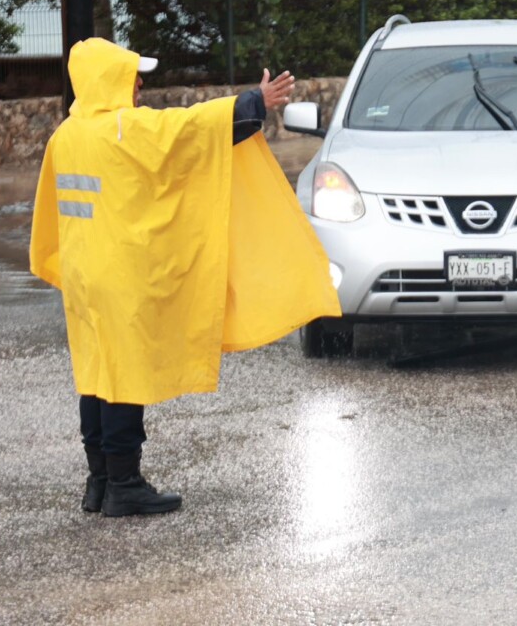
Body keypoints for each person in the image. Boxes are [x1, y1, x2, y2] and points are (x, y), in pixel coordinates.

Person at [29, 38, 341, 517]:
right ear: (108, 78)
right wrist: (255, 101)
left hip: (83, 273)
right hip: (119, 275)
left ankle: (99, 482)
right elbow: (194, 129)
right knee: (124, 374)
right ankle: (125, 483)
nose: (138, 84)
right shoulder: (124, 129)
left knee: (95, 372)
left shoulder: (66, 135)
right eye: (132, 74)